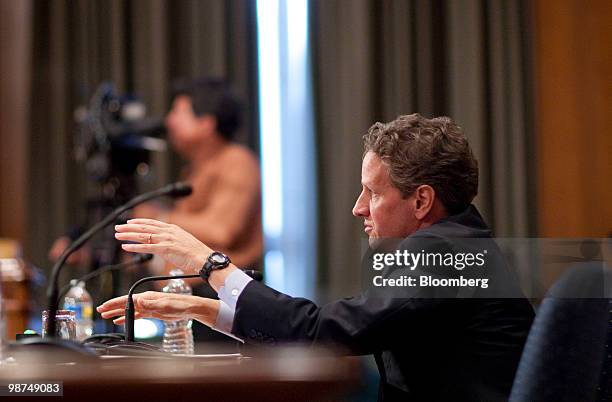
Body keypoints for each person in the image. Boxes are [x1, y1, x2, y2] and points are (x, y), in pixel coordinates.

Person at [97, 114, 534, 401]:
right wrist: (199, 308)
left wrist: (209, 264)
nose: (358, 208)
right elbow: (331, 325)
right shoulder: (459, 245)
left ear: (421, 201)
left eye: (373, 193)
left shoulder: (444, 254)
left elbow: (325, 333)